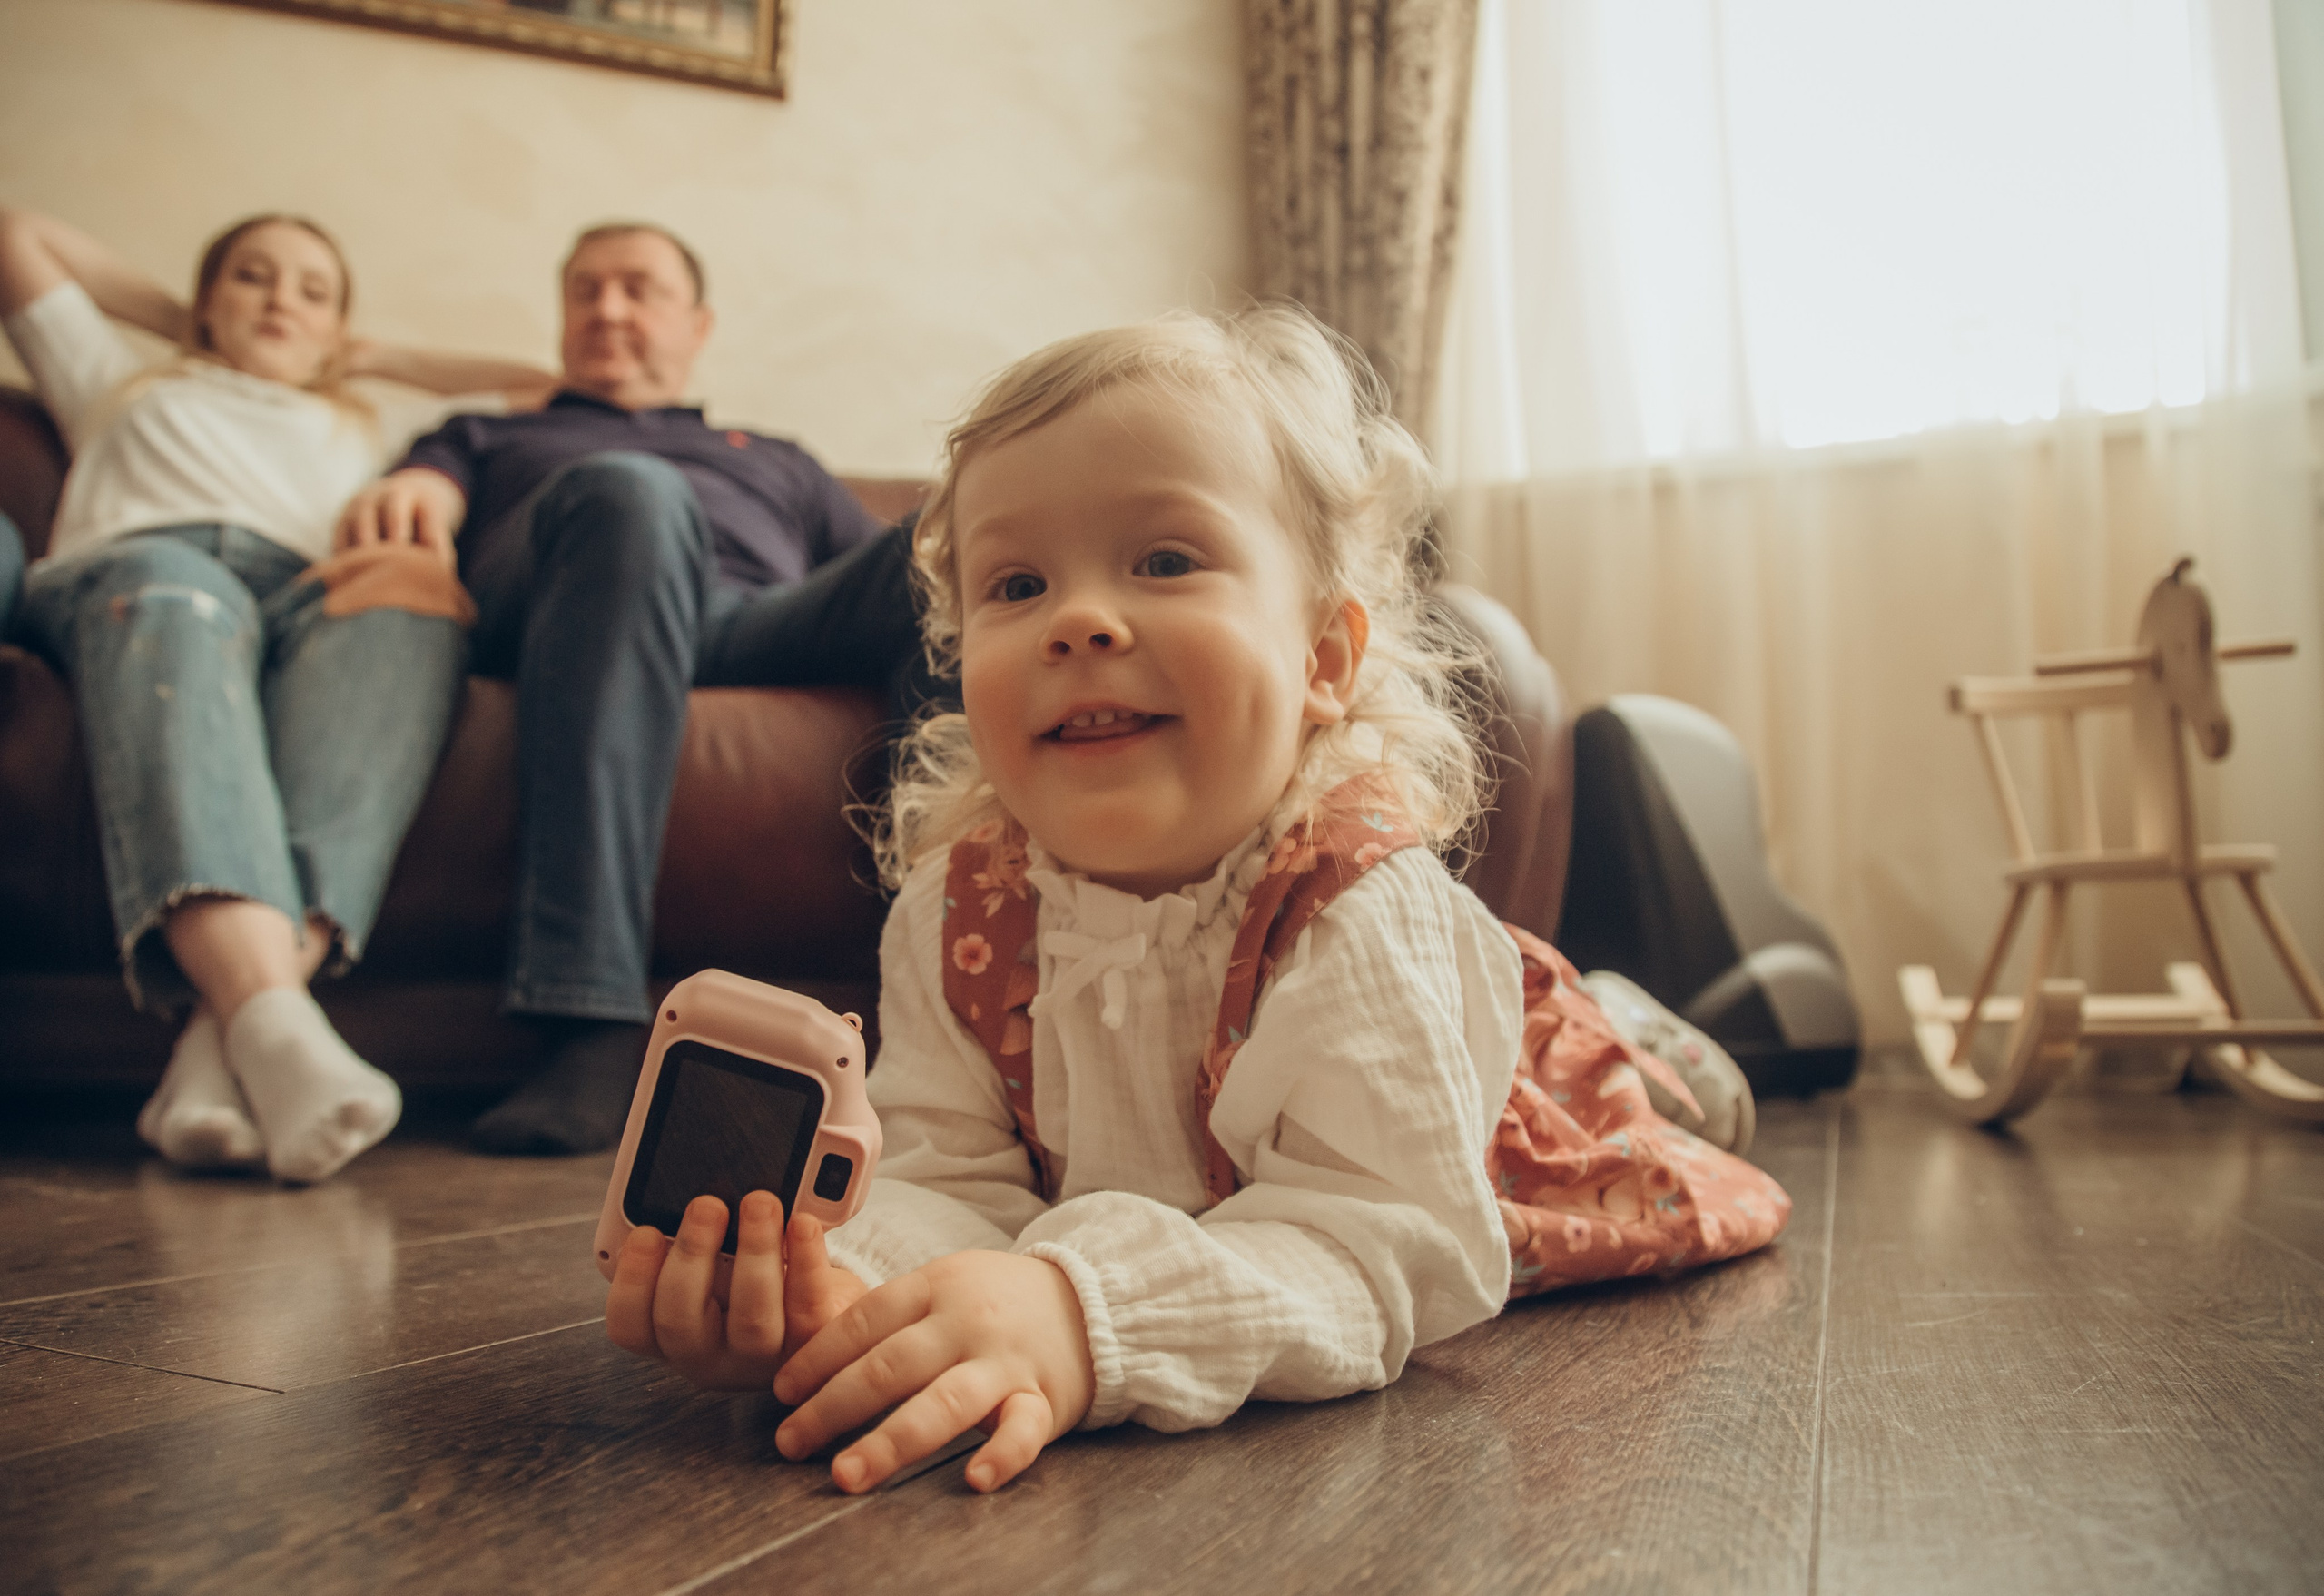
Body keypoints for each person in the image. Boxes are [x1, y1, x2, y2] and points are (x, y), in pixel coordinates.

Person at [599, 307, 1788, 1495]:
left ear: (1322, 661)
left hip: (1494, 1128)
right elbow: (952, 1176)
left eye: (1165, 561)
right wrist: (847, 1291)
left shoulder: (1362, 910)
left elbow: (1374, 1244)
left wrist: (1081, 1316)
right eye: (1017, 583)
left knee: (1631, 1120)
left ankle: (1634, 1033)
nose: (1079, 620)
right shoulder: (955, 917)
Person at [337, 222, 937, 1158]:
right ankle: (588, 1015)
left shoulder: (774, 454)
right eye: (585, 290)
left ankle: (942, 996)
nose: (607, 309)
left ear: (697, 326)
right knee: (632, 492)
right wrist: (426, 483)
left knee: (947, 544)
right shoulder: (488, 432)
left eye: (638, 289)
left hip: (753, 624)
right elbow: (419, 505)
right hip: (577, 605)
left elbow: (880, 577)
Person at [0, 207, 553, 1181]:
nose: (279, 300)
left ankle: (219, 1053)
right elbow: (16, 234)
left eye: (313, 290)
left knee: (416, 608)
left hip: (308, 595)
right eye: (252, 276)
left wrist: (369, 356)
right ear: (208, 299)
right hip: (149, 568)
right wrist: (187, 324)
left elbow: (545, 392)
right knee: (184, 596)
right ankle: (273, 1019)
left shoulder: (362, 425)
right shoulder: (117, 382)